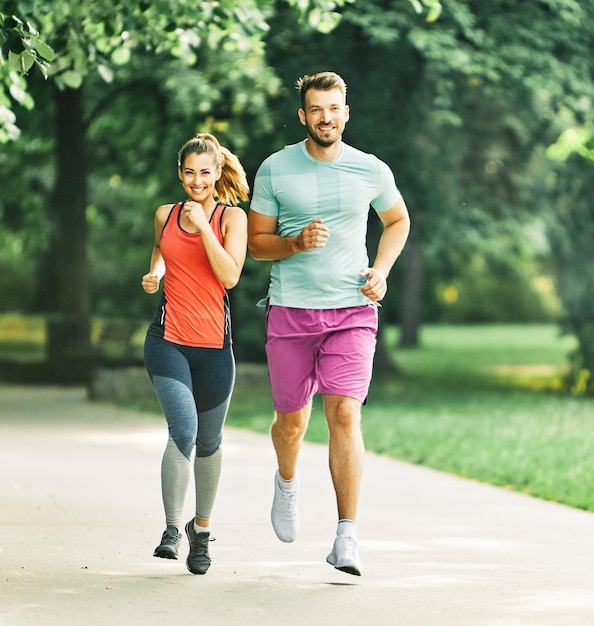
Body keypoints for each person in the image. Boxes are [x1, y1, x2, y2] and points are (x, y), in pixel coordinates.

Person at [247, 71, 410, 576]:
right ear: (303, 115)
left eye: (334, 108)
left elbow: (397, 221)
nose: (326, 117)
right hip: (291, 308)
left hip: (352, 311)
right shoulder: (275, 169)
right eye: (316, 109)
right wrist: (295, 243)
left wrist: (380, 272)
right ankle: (288, 483)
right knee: (292, 422)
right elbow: (256, 244)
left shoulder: (369, 169)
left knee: (344, 414)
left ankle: (346, 536)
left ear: (346, 112)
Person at [142, 133, 249, 575]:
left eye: (205, 172)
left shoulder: (231, 219)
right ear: (180, 173)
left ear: (218, 173)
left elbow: (230, 276)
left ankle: (199, 532)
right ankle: (170, 530)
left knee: (210, 443)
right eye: (189, 172)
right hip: (167, 340)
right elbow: (163, 250)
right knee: (182, 430)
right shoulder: (165, 215)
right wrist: (155, 272)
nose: (196, 181)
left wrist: (204, 226)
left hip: (214, 350)